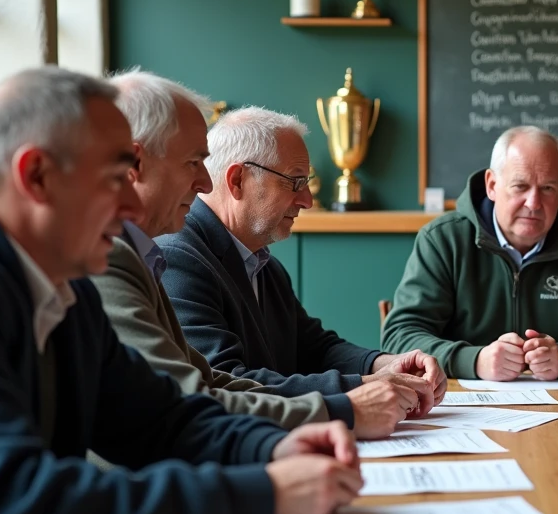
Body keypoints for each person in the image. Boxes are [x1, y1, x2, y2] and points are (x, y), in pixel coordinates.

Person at [0, 67, 365, 514]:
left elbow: (163, 419)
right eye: (117, 175)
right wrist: (263, 491)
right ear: (36, 175)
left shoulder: (62, 283)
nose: (129, 200)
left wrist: (272, 450)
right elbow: (12, 509)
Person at [158, 107, 446, 439]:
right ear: (237, 180)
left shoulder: (264, 264)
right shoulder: (177, 259)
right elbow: (228, 381)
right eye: (295, 182)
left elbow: (314, 347)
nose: (307, 200)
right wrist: (363, 387)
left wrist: (380, 364)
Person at [91, 70, 353, 428]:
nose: (204, 182)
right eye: (192, 162)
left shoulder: (259, 264)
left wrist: (376, 371)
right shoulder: (160, 257)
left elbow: (207, 385)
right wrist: (347, 405)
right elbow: (193, 400)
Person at [381, 126, 558, 380]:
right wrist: (474, 360)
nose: (534, 203)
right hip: (457, 406)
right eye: (520, 186)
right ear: (492, 185)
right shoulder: (442, 239)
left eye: (548, 188)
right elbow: (399, 336)